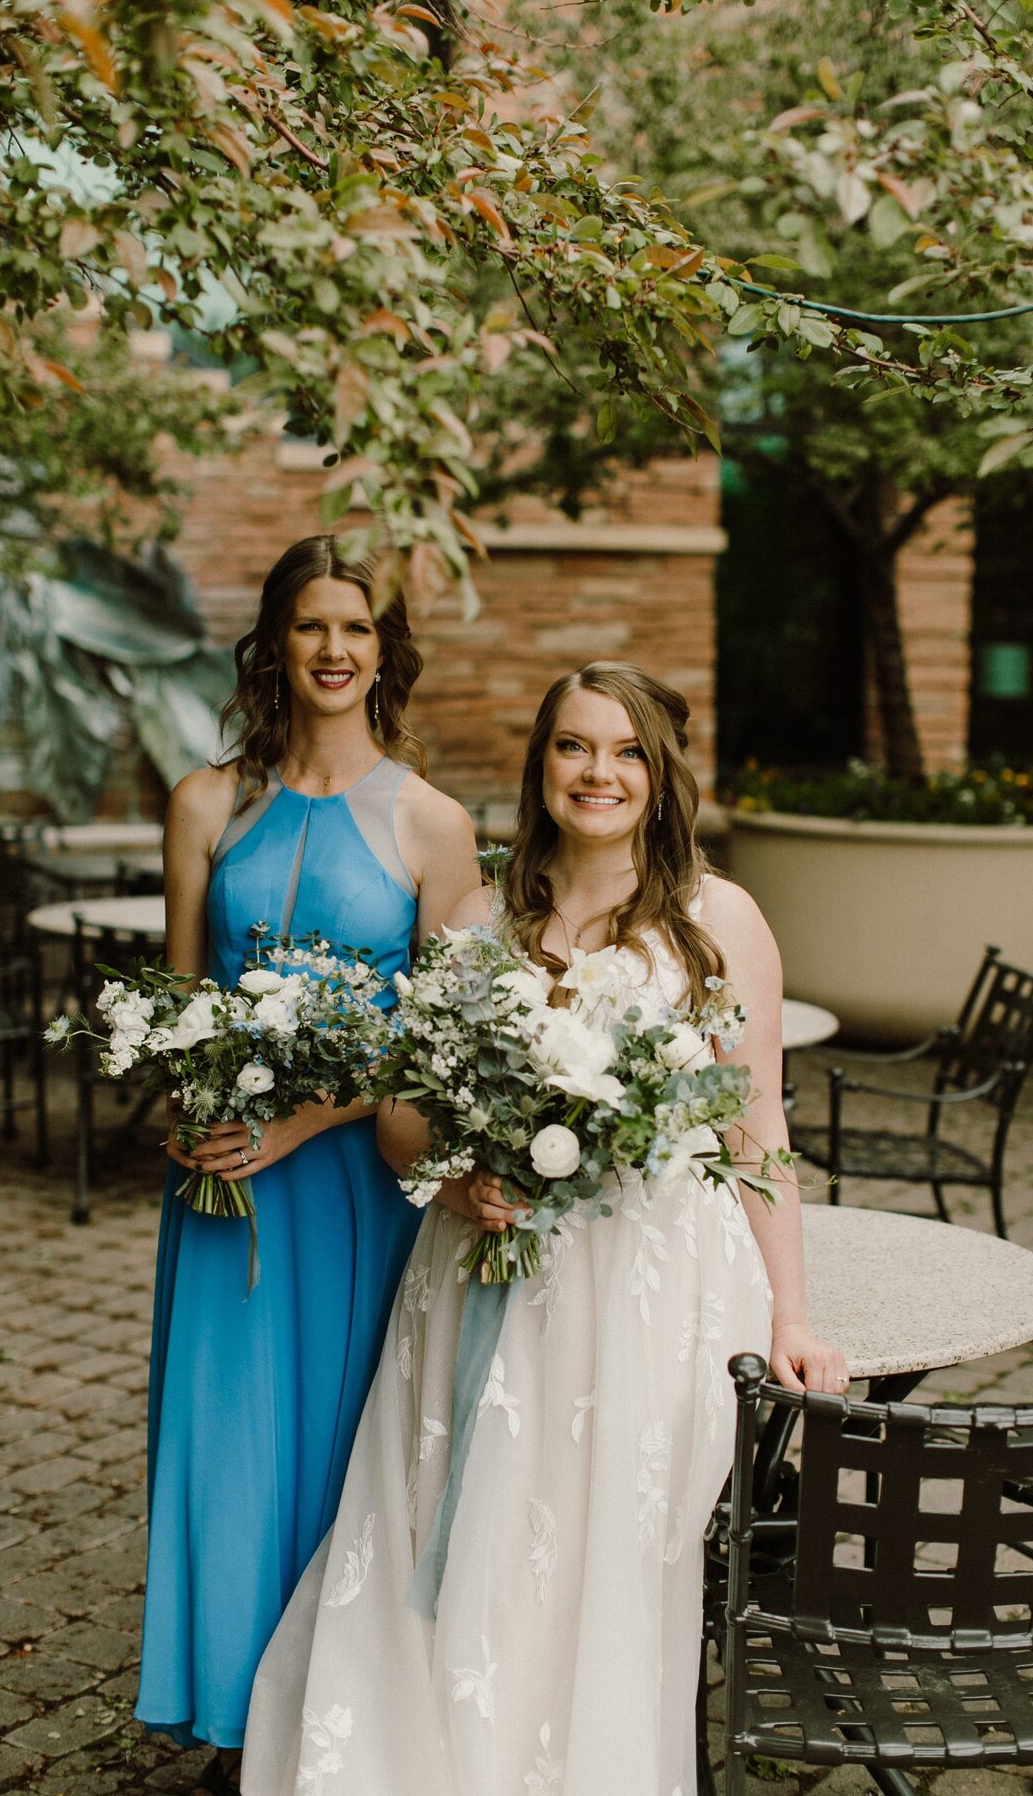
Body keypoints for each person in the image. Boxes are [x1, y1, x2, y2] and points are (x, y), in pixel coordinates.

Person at [240, 660, 848, 1796]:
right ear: (541, 766)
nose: (598, 773)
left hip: (644, 1282)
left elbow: (759, 1133)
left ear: (662, 778)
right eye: (574, 747)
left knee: (595, 1555)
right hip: (480, 1266)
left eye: (625, 752)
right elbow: (404, 1114)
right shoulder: (479, 914)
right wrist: (460, 1176)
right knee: (454, 1525)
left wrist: (795, 1314)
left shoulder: (721, 921)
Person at [133, 536, 480, 1794]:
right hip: (223, 1186)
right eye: (310, 625)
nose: (334, 649)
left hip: (351, 1189)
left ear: (386, 652)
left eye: (358, 627)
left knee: (343, 1443)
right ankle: (229, 1716)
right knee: (226, 1443)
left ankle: (332, 1724)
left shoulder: (435, 828)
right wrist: (191, 1104)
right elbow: (178, 1003)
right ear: (273, 642)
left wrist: (308, 1119)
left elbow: (446, 1056)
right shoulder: (205, 802)